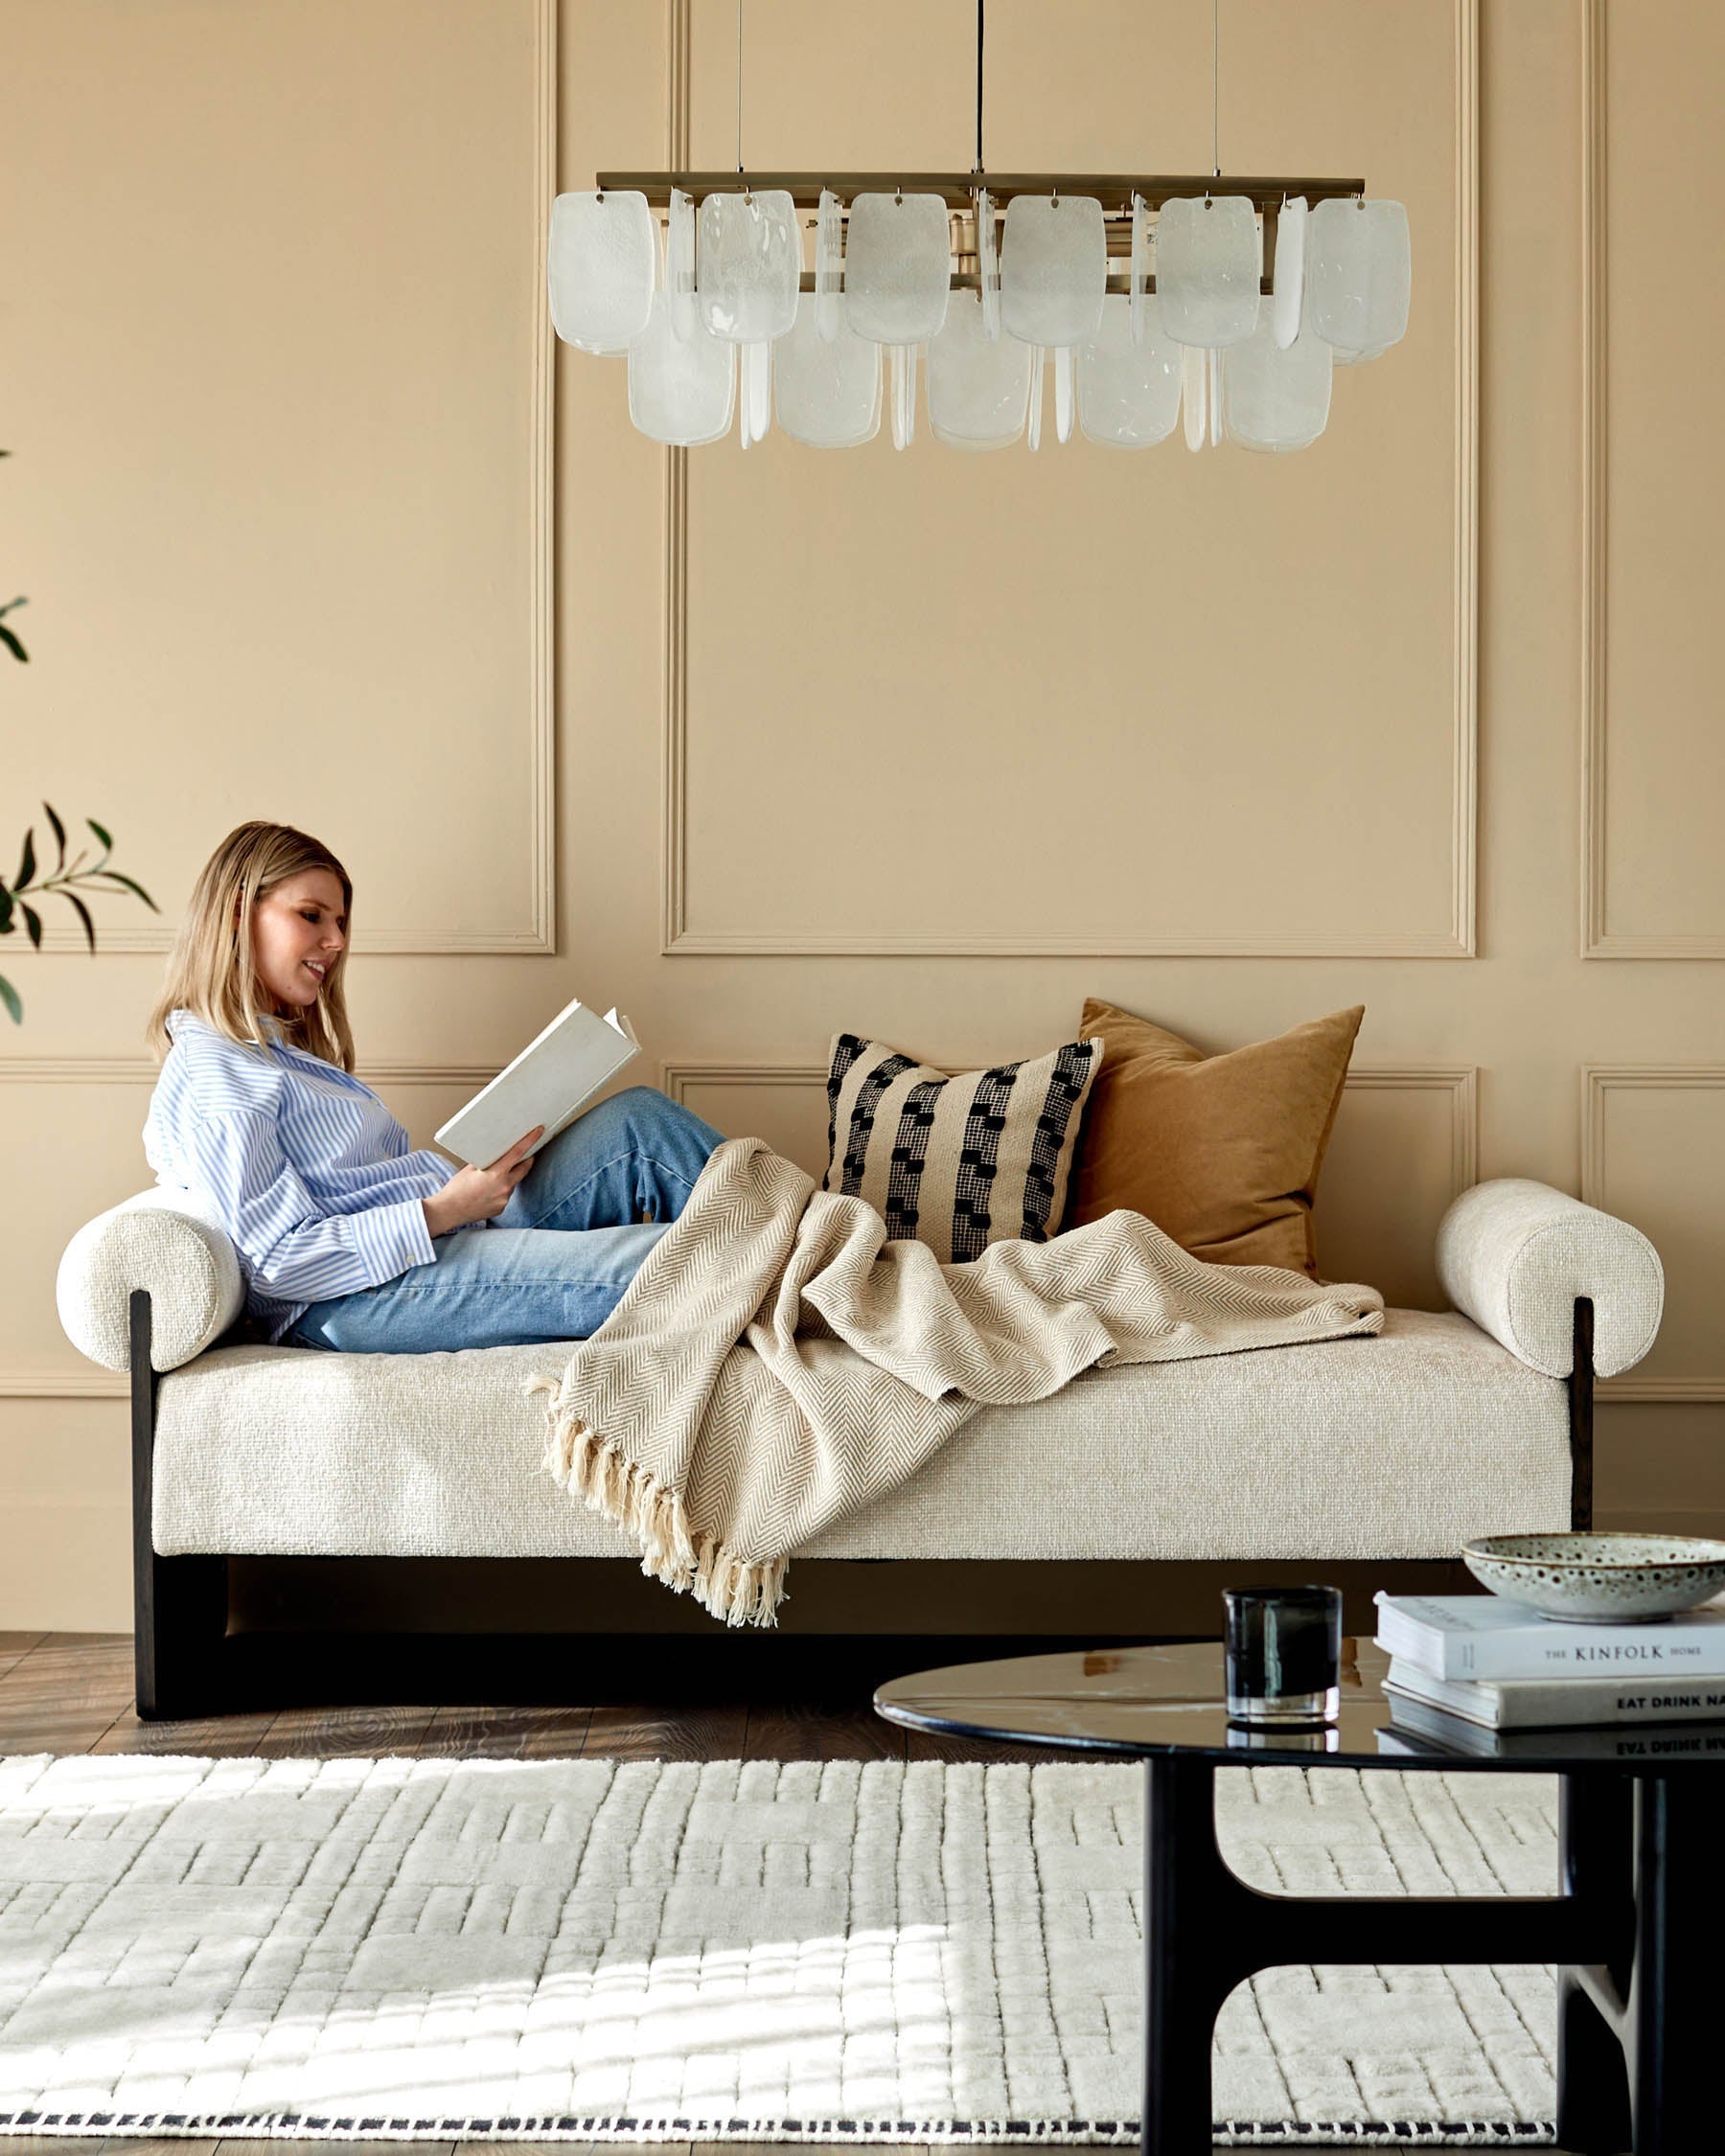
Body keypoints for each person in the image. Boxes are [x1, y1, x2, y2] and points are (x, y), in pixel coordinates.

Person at [142, 821, 722, 1352]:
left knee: (639, 1125)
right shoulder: (217, 1073)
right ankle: (806, 1273)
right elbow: (280, 1261)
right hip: (355, 1296)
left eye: (340, 922)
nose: (337, 941)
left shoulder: (272, 1052)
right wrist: (441, 1211)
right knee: (669, 1263)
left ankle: (810, 1244)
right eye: (312, 916)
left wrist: (463, 1199)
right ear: (239, 912)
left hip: (440, 1231)